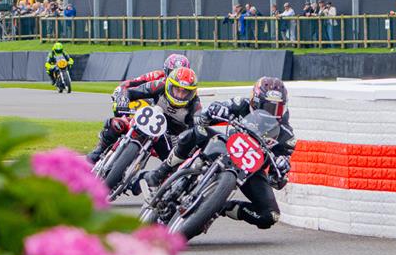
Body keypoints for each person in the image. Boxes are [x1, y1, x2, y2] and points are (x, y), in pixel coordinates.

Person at [143, 77, 295, 230]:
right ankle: (160, 172)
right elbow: (205, 116)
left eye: (277, 109)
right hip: (226, 144)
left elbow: (278, 180)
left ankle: (220, 207)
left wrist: (282, 167)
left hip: (251, 170)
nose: (272, 113)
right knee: (197, 132)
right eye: (267, 107)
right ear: (255, 101)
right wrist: (214, 110)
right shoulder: (240, 104)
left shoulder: (287, 135)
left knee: (270, 215)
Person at [87, 67, 201, 164]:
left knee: (172, 163)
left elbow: (196, 131)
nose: (180, 95)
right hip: (148, 121)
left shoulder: (195, 106)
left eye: (185, 92)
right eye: (177, 90)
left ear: (192, 93)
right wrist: (123, 100)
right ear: (169, 85)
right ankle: (99, 150)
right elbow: (130, 91)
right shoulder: (159, 85)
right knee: (117, 123)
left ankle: (143, 181)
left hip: (168, 138)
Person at [109, 54, 191, 115]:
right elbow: (126, 85)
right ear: (166, 71)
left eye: (180, 72)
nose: (176, 77)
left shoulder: (189, 89)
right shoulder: (156, 76)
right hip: (149, 108)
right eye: (172, 72)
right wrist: (122, 98)